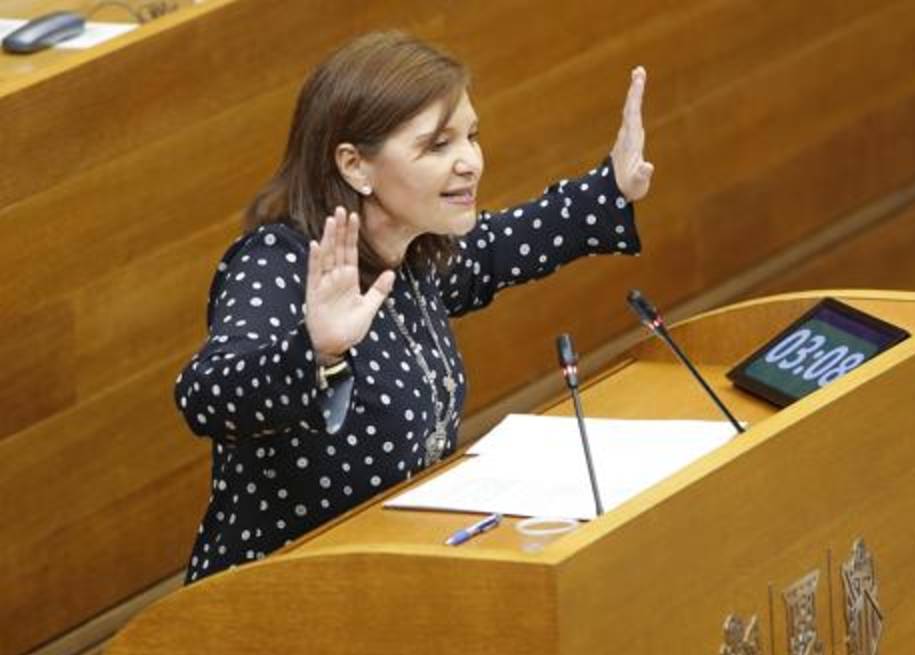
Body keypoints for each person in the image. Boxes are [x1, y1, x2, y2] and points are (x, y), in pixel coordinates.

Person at [175, 31, 653, 583]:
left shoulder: (411, 249)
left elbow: (497, 248)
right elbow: (206, 396)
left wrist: (609, 188)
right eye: (437, 145)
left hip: (395, 579)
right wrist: (314, 350)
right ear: (356, 166)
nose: (470, 162)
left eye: (471, 136)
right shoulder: (282, 264)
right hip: (273, 604)